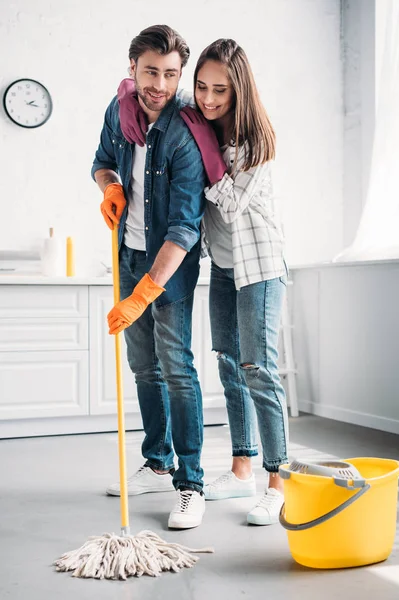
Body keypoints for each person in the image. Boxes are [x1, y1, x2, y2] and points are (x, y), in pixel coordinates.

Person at [118, 38, 289, 526]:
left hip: (260, 267)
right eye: (202, 87)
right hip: (226, 267)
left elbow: (230, 205)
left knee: (258, 369)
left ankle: (278, 481)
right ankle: (242, 470)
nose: (209, 99)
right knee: (229, 364)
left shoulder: (258, 142)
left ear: (240, 91)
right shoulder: (201, 122)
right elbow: (145, 91)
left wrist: (208, 159)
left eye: (221, 90)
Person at [91, 25, 207, 530]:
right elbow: (100, 162)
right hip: (128, 255)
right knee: (143, 367)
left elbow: (184, 227)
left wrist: (144, 294)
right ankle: (157, 462)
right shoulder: (118, 112)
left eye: (171, 73)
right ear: (132, 67)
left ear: (180, 73)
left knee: (176, 368)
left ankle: (191, 483)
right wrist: (110, 187)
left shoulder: (186, 132)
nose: (159, 84)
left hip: (168, 267)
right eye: (150, 71)